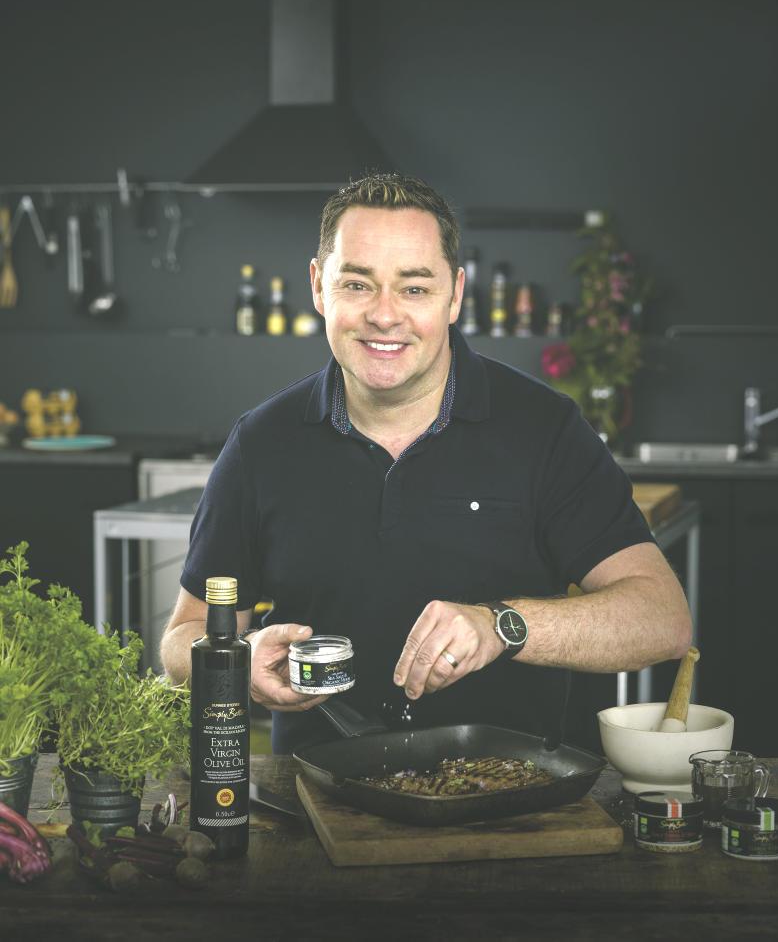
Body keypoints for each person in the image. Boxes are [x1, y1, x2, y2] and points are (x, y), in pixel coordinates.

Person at [160, 172, 691, 753]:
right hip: (313, 794)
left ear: (455, 295)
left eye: (414, 289)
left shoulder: (545, 429)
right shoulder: (261, 443)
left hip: (509, 791)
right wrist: (237, 659)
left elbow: (662, 619)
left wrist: (502, 626)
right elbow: (182, 638)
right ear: (318, 287)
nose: (384, 315)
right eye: (357, 284)